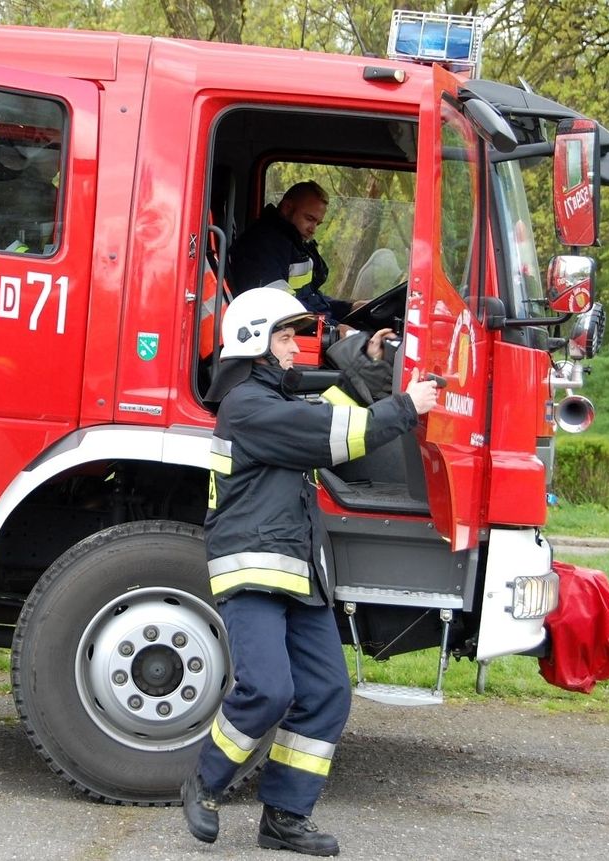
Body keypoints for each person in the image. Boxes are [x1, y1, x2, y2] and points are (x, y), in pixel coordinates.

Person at [181, 287, 438, 856]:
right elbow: (333, 435)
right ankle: (204, 780)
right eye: (284, 336)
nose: (297, 348)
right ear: (252, 343)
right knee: (269, 690)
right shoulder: (247, 405)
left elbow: (330, 412)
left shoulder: (276, 404)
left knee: (325, 693)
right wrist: (407, 405)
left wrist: (369, 365)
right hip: (254, 569)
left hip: (299, 570)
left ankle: (285, 817)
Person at [229, 181, 351, 324]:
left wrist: (348, 308)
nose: (313, 229)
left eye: (317, 223)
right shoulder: (261, 245)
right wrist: (334, 329)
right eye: (309, 219)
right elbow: (280, 306)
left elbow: (309, 298)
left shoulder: (294, 242)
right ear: (287, 208)